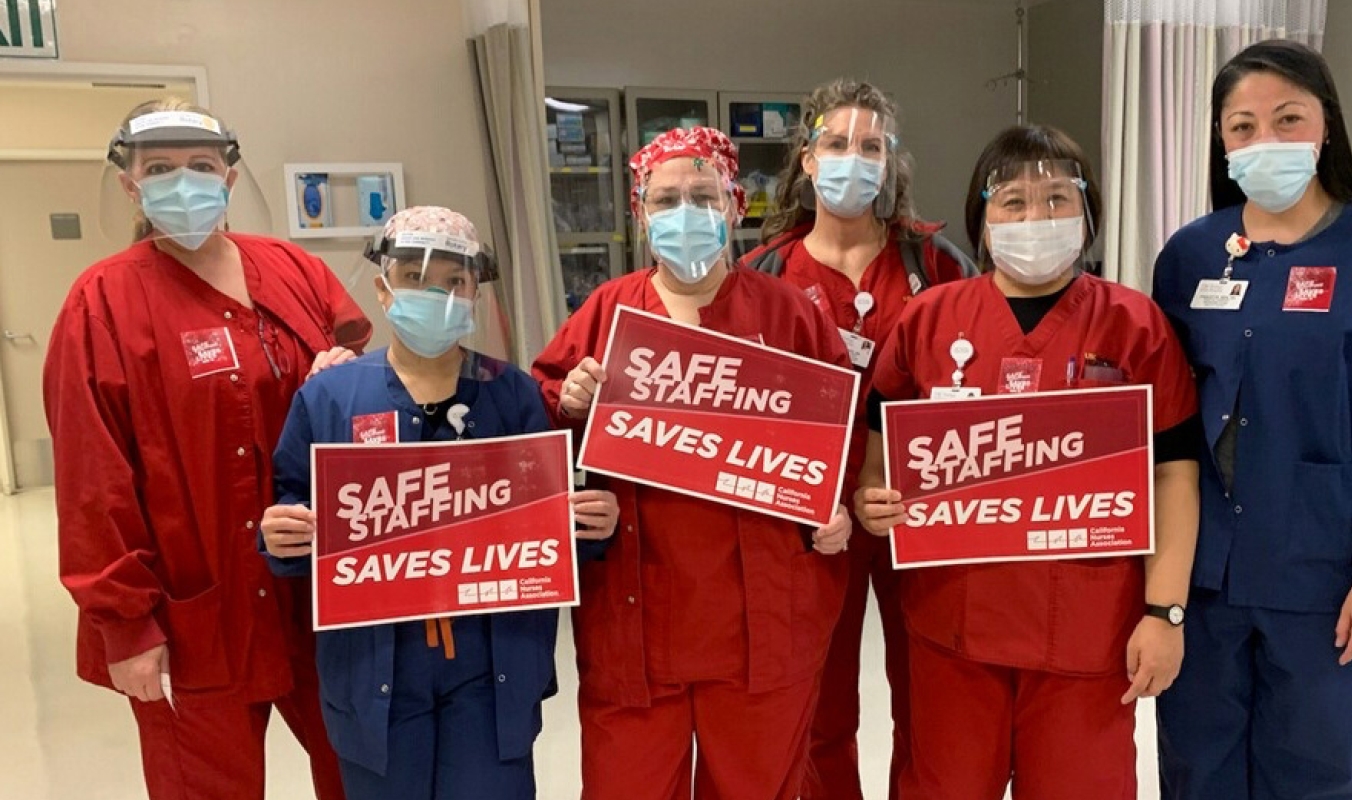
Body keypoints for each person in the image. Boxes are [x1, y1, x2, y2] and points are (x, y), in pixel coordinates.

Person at [1151, 39, 1352, 800]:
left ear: (1326, 127)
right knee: (1198, 767)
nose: (1266, 142)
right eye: (1243, 127)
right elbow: (1164, 419)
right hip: (1205, 571)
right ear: (1221, 144)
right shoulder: (1193, 256)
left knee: (1310, 774)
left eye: (1288, 119)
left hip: (1324, 572)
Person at [855, 124, 1202, 800]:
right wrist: (873, 499)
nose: (1035, 217)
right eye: (1012, 201)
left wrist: (1166, 615)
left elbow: (1175, 474)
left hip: (1088, 635)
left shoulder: (1134, 325)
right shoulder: (928, 320)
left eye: (1056, 199)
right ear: (982, 220)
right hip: (951, 630)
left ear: (1089, 213)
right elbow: (877, 453)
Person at [42, 98, 369, 800]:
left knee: (364, 773)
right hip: (195, 607)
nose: (182, 182)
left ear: (228, 174)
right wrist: (125, 625)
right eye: (160, 169)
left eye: (200, 165)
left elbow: (371, 381)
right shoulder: (102, 301)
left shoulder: (292, 270)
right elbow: (91, 480)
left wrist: (355, 379)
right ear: (130, 183)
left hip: (320, 595)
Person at [531, 126, 852, 800]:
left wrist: (839, 512)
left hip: (762, 621)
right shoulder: (605, 314)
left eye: (703, 196)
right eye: (667, 198)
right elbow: (533, 428)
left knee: (758, 784)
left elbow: (838, 445)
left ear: (736, 205)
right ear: (640, 213)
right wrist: (571, 402)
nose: (686, 214)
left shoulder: (791, 317)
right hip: (638, 619)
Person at [258, 206, 618, 799]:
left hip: (491, 667)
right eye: (415, 278)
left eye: (455, 281)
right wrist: (283, 534)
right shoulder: (329, 398)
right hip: (378, 668)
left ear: (476, 291)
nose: (438, 295)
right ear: (382, 287)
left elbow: (549, 522)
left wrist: (591, 525)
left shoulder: (512, 395)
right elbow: (291, 505)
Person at [735, 78, 974, 800]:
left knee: (934, 697)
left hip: (916, 508)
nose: (852, 157)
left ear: (891, 162)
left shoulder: (936, 263)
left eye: (870, 145)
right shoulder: (765, 271)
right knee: (818, 701)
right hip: (812, 514)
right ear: (807, 159)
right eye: (836, 143)